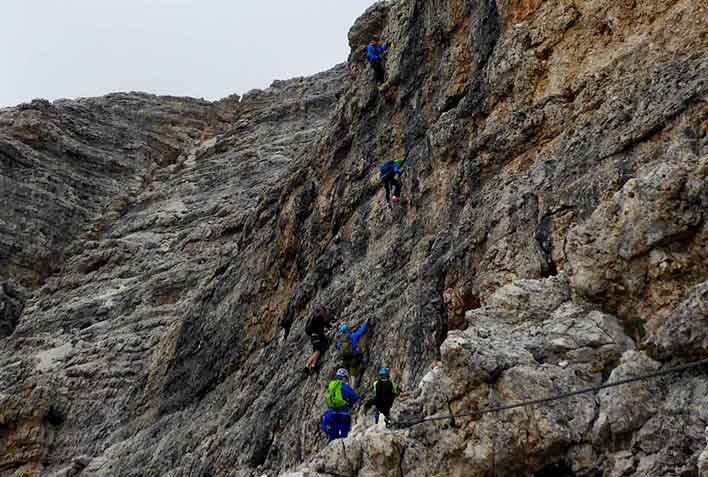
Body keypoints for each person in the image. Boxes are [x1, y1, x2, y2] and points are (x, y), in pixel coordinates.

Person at [320, 368, 361, 440]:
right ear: (345, 377)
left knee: (333, 438)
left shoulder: (332, 386)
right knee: (343, 437)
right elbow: (356, 398)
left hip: (331, 413)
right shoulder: (346, 387)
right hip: (343, 414)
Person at [336, 320, 371, 385]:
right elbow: (361, 331)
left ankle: (348, 389)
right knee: (353, 376)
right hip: (353, 359)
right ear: (348, 329)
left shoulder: (340, 341)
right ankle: (352, 390)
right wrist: (366, 322)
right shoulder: (353, 336)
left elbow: (338, 350)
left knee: (348, 376)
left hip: (345, 360)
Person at [305, 306, 335, 371]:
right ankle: (309, 366)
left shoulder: (314, 317)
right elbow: (326, 324)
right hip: (317, 336)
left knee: (316, 351)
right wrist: (334, 325)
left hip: (313, 337)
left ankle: (310, 366)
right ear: (321, 311)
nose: (325, 313)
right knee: (318, 350)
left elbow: (325, 324)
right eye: (324, 312)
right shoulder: (319, 317)